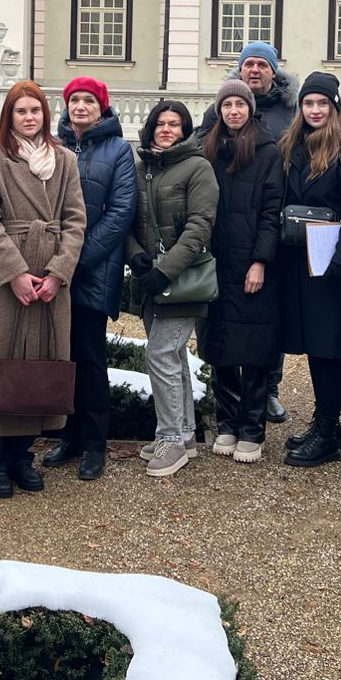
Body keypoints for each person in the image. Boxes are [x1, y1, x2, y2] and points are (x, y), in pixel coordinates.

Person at [0, 81, 87, 499]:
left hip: (49, 280)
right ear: (8, 116)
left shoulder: (64, 160)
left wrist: (58, 272)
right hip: (1, 282)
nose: (29, 118)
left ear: (45, 115)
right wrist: (14, 272)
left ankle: (21, 456)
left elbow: (75, 220)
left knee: (39, 367)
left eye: (35, 110)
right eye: (21, 111)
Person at [277, 72, 341, 468]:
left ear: (334, 106)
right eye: (308, 103)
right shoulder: (292, 143)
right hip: (297, 259)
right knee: (315, 345)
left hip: (331, 263)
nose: (315, 110)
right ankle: (327, 424)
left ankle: (327, 431)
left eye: (322, 103)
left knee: (327, 349)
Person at [197, 40, 296, 424]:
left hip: (268, 224)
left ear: (273, 71)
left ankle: (268, 389)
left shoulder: (289, 109)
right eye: (248, 64)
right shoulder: (217, 110)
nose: (255, 70)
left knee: (265, 320)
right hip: (224, 232)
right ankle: (227, 399)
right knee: (221, 318)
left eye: (262, 64)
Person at [45, 77, 137, 481]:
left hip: (92, 270)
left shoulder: (118, 150)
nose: (80, 107)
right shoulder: (53, 146)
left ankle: (95, 444)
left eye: (89, 101)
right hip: (53, 269)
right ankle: (68, 436)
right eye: (74, 100)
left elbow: (120, 212)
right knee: (61, 357)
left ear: (102, 107)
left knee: (91, 359)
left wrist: (75, 260)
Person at [127, 100, 220, 478]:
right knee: (174, 357)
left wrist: (166, 271)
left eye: (175, 124)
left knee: (161, 353)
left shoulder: (198, 167)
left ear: (185, 130)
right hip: (150, 279)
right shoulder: (141, 168)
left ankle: (170, 438)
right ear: (151, 128)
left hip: (183, 280)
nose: (167, 130)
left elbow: (200, 226)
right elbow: (128, 220)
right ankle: (183, 434)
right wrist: (134, 255)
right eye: (161, 123)